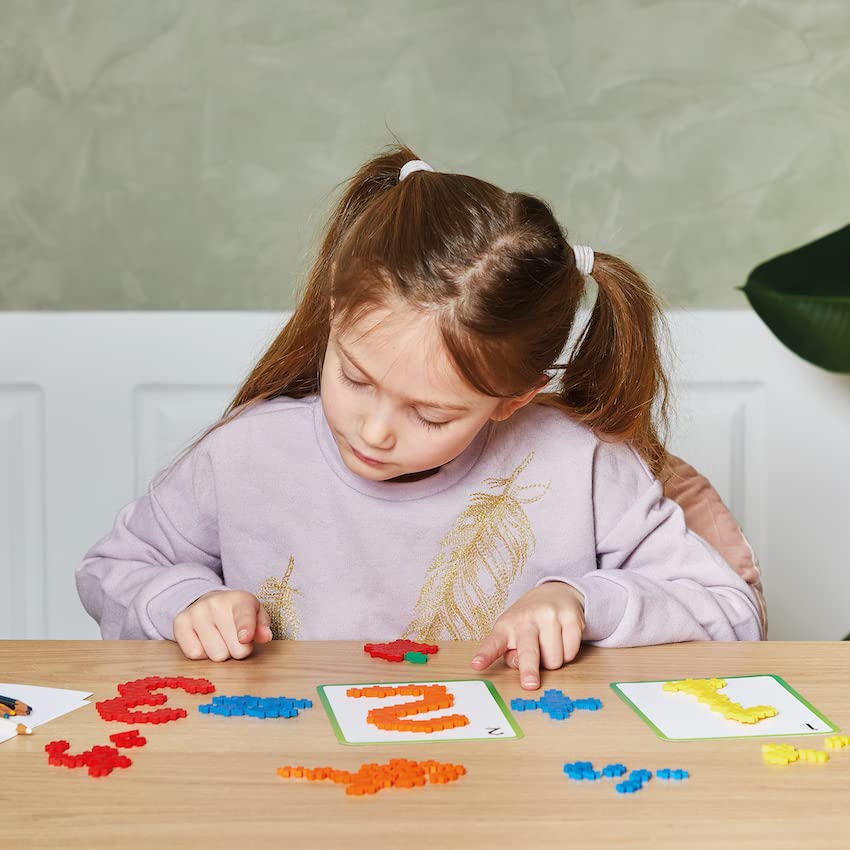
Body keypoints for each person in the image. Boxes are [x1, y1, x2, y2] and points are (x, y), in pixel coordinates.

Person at [76, 144, 764, 690]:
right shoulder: (246, 455)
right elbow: (113, 568)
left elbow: (733, 615)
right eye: (354, 377)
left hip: (520, 800)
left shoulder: (580, 466)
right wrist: (183, 600)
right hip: (286, 791)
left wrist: (584, 603)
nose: (374, 431)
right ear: (333, 316)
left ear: (514, 398)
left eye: (430, 414)